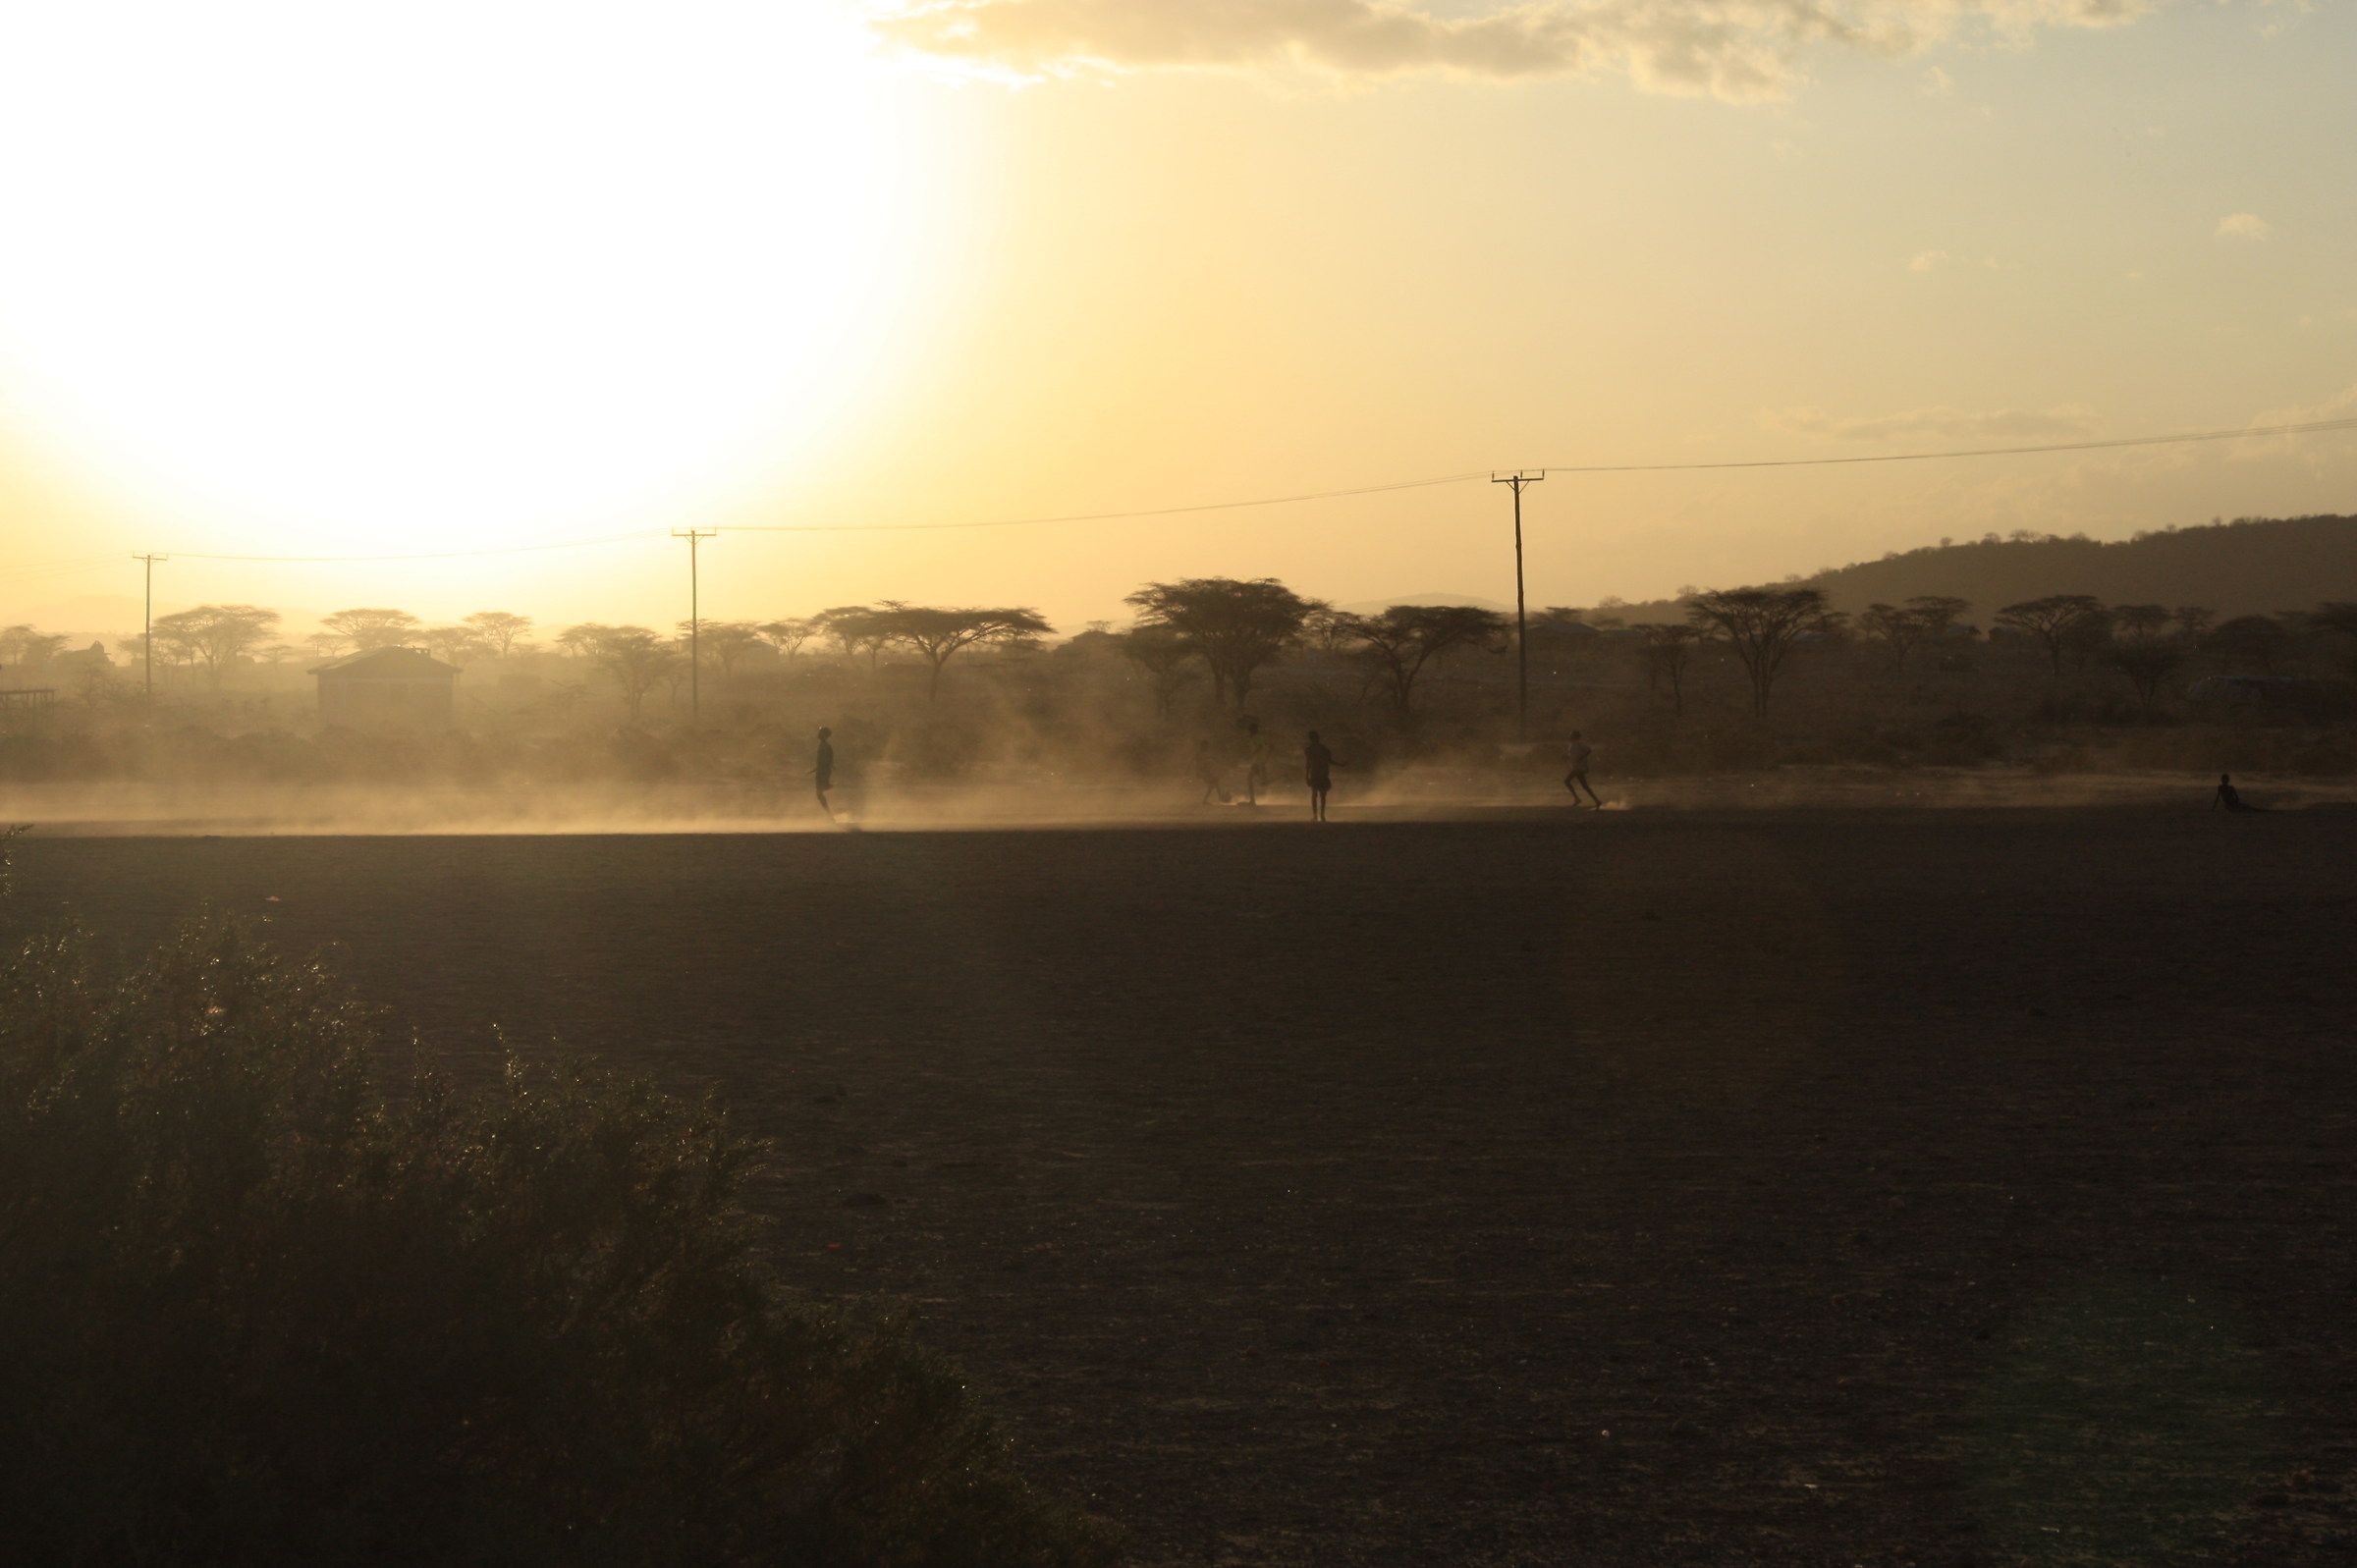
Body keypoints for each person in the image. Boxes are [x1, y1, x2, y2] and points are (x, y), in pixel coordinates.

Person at [1304, 730, 1343, 823]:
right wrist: (1341, 765)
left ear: (1310, 739)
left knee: (1314, 795)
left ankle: (1315, 815)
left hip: (1314, 774)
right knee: (1323, 796)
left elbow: (1308, 764)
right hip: (1323, 773)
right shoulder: (1325, 749)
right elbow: (1330, 761)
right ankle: (1322, 815)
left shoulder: (1308, 750)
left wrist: (1306, 776)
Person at [1563, 730, 1602, 810]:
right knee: (1584, 786)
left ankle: (1578, 799)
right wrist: (1567, 757)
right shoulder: (1572, 745)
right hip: (1576, 767)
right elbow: (1573, 756)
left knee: (1567, 781)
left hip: (1579, 767)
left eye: (1571, 735)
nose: (1569, 737)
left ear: (1574, 736)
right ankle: (1596, 801)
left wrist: (1581, 758)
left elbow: (1589, 750)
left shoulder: (1579, 744)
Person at [1241, 716, 1272, 806]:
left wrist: (1251, 755)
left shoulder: (1255, 737)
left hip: (1257, 761)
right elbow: (1266, 746)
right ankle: (1252, 800)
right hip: (1260, 761)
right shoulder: (1259, 737)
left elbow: (1259, 747)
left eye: (1249, 730)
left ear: (1251, 730)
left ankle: (1252, 801)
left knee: (1250, 779)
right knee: (1262, 782)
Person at [1194, 738, 1231, 804]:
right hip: (1202, 773)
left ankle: (1217, 797)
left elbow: (1211, 761)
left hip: (1206, 772)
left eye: (1207, 746)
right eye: (1206, 746)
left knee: (1215, 782)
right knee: (1214, 783)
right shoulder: (1199, 754)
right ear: (1202, 746)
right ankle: (1217, 797)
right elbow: (1195, 762)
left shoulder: (1206, 754)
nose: (1207, 748)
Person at [813, 726, 836, 814]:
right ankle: (828, 813)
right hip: (821, 771)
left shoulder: (825, 746)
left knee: (819, 793)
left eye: (820, 733)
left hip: (823, 771)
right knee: (819, 793)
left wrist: (824, 769)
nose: (818, 734)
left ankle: (829, 814)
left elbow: (827, 759)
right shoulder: (823, 745)